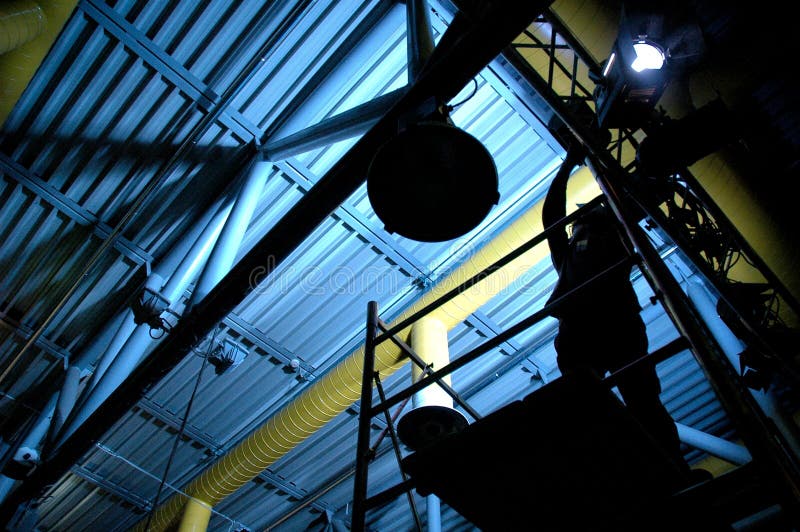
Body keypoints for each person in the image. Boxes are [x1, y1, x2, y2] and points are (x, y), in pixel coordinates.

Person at [542, 146, 688, 474]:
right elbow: (552, 217)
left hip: (615, 324)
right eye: (581, 223)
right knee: (588, 404)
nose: (586, 224)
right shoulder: (568, 256)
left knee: (643, 402)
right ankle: (611, 469)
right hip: (584, 328)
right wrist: (567, 166)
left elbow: (636, 203)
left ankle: (671, 467)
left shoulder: (617, 234)